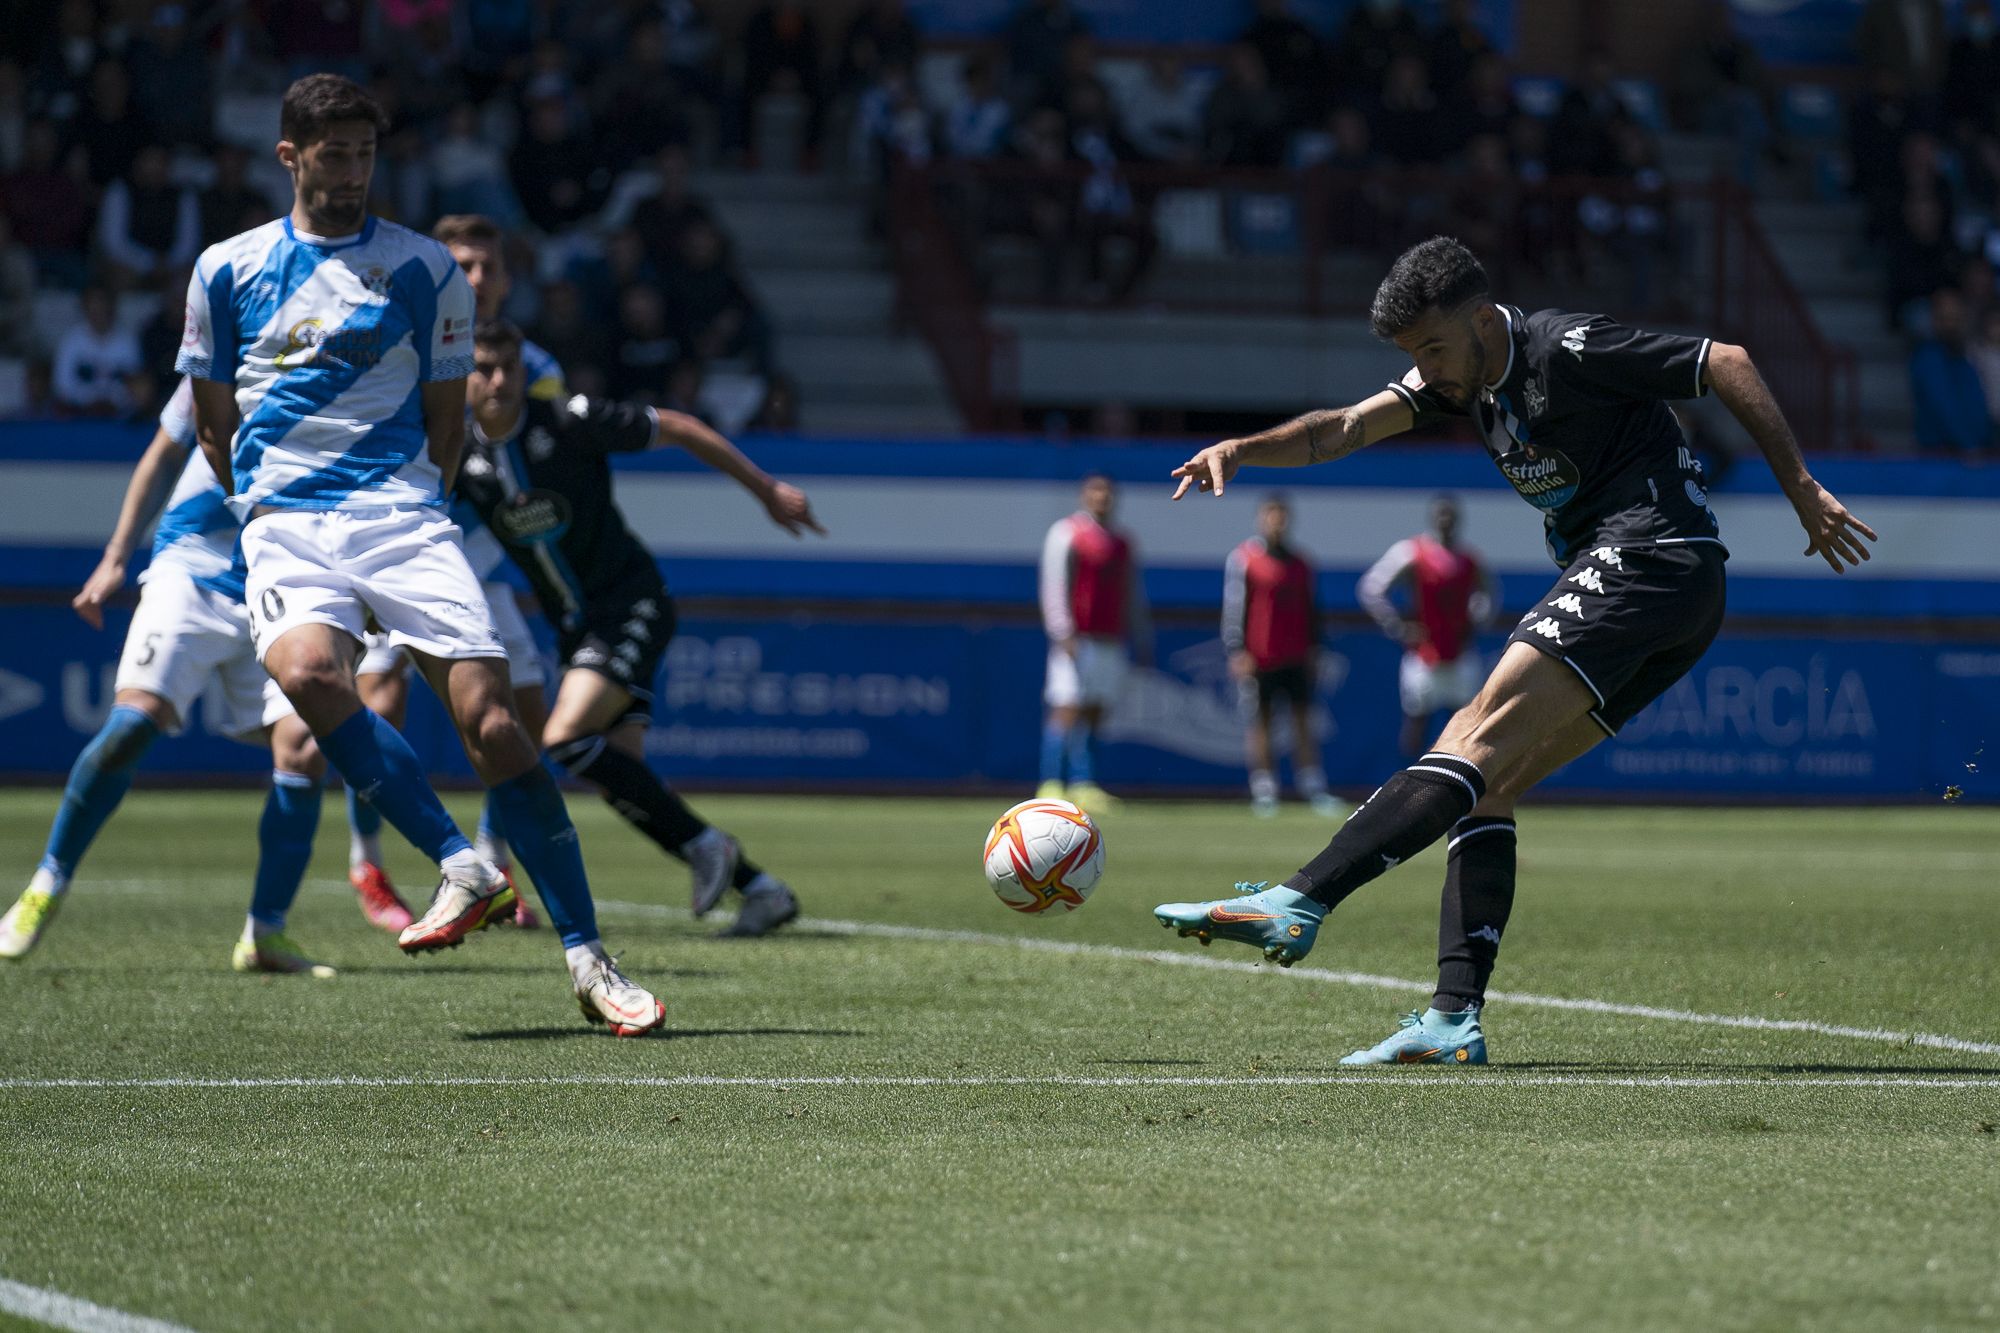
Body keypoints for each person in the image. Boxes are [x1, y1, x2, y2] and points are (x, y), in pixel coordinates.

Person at [1155, 236, 1876, 1065]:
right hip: (1678, 594)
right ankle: (1453, 1019)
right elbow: (1346, 427)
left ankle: (1301, 897)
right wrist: (1241, 451)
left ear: (1479, 318)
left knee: (1469, 734)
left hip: (1648, 555)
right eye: (1410, 354)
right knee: (1488, 786)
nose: (1423, 368)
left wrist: (1802, 489)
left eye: (1431, 346)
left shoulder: (1566, 347)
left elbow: (1726, 359)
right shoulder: (1459, 377)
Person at [179, 73, 665, 1036]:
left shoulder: (423, 269)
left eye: (365, 153)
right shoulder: (225, 270)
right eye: (334, 154)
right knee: (313, 675)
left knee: (493, 726)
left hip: (402, 513)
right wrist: (265, 507)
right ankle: (462, 863)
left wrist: (417, 509)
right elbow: (210, 420)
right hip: (284, 519)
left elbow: (449, 421)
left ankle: (589, 958)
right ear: (291, 156)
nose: (353, 171)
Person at [459, 317, 823, 935]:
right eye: (483, 369)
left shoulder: (567, 420)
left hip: (630, 604)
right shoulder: (461, 455)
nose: (498, 381)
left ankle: (708, 846)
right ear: (461, 377)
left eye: (509, 369)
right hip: (577, 629)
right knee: (620, 774)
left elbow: (677, 427)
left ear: (525, 372)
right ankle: (760, 889)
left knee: (565, 738)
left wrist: (763, 489)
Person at [1, 380, 333, 975]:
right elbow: (161, 456)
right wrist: (115, 557)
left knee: (303, 748)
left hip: (275, 583)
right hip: (190, 567)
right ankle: (45, 885)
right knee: (133, 724)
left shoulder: (347, 370)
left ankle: (266, 934)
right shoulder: (229, 357)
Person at [344, 213, 566, 932]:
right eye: (461, 265)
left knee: (526, 721)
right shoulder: (401, 343)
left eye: (487, 267)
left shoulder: (538, 369)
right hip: (401, 548)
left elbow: (547, 468)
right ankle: (368, 862)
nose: (475, 279)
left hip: (485, 566)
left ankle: (489, 859)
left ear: (505, 277)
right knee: (376, 703)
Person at [1222, 495, 1342, 819]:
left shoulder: (1302, 563)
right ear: (1261, 519)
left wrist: (1315, 649)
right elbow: (1235, 609)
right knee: (1261, 722)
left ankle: (1312, 786)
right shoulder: (1244, 559)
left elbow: (1312, 609)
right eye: (1271, 516)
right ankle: (1264, 789)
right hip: (1259, 658)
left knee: (1303, 721)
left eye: (1282, 516)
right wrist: (1237, 650)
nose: (1276, 522)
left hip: (1297, 656)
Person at [1038, 473, 1151, 812]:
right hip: (1077, 638)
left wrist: (1140, 634)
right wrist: (1062, 631)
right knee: (1067, 708)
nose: (1102, 497)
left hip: (1109, 638)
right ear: (1084, 496)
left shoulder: (1122, 541)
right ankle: (1051, 783)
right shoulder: (1067, 533)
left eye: (1107, 492)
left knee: (1097, 710)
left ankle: (1084, 783)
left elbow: (1132, 592)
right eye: (1095, 491)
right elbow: (1054, 583)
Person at [1358, 494, 1498, 756]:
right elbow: (1372, 589)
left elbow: (1488, 594)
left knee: (1466, 725)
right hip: (1423, 654)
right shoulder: (1411, 553)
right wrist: (1397, 626)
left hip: (1459, 654)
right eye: (1440, 515)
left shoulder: (1468, 559)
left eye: (1450, 515)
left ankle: (1456, 785)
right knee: (1416, 724)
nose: (1445, 520)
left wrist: (1477, 621)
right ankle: (1411, 784)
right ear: (1432, 518)